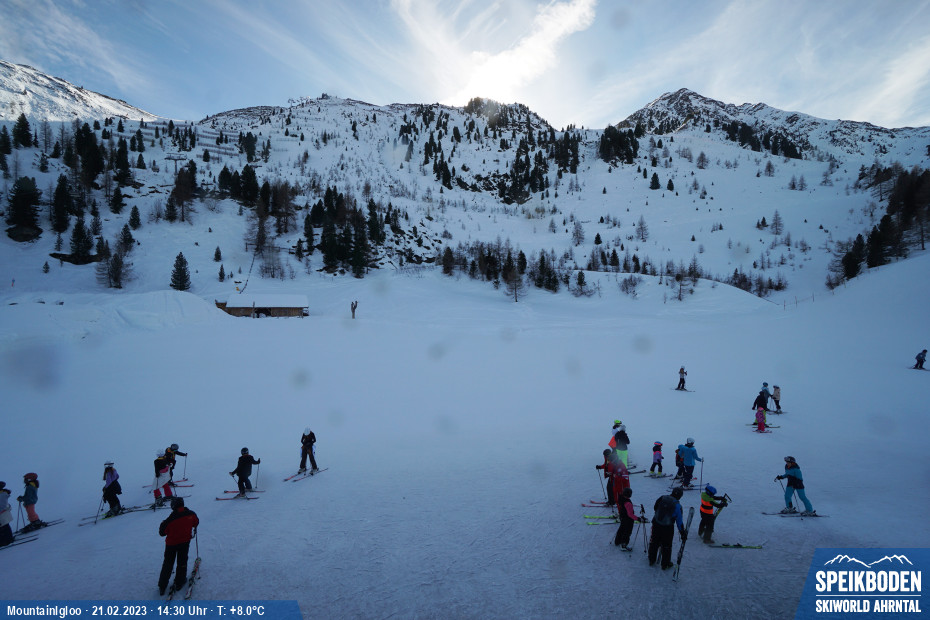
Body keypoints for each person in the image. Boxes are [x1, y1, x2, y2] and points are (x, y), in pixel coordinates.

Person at [157, 497, 199, 596]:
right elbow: (196, 522)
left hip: (171, 545)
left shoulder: (170, 519)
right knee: (182, 561)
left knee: (168, 564)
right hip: (185, 542)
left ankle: (162, 585)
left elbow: (162, 532)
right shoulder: (191, 514)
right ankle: (180, 582)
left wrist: (163, 523)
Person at [648, 487, 686, 570]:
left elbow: (655, 507)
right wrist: (682, 533)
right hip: (667, 528)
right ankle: (665, 564)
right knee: (666, 545)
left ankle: (651, 559)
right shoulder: (678, 505)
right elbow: (679, 521)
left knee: (654, 541)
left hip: (656, 523)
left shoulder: (662, 498)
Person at [0, 481, 13, 547]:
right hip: (3, 513)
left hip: (2, 514)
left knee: (3, 527)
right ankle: (8, 538)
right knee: (4, 526)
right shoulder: (2, 494)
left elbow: (2, 506)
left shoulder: (2, 495)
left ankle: (6, 540)